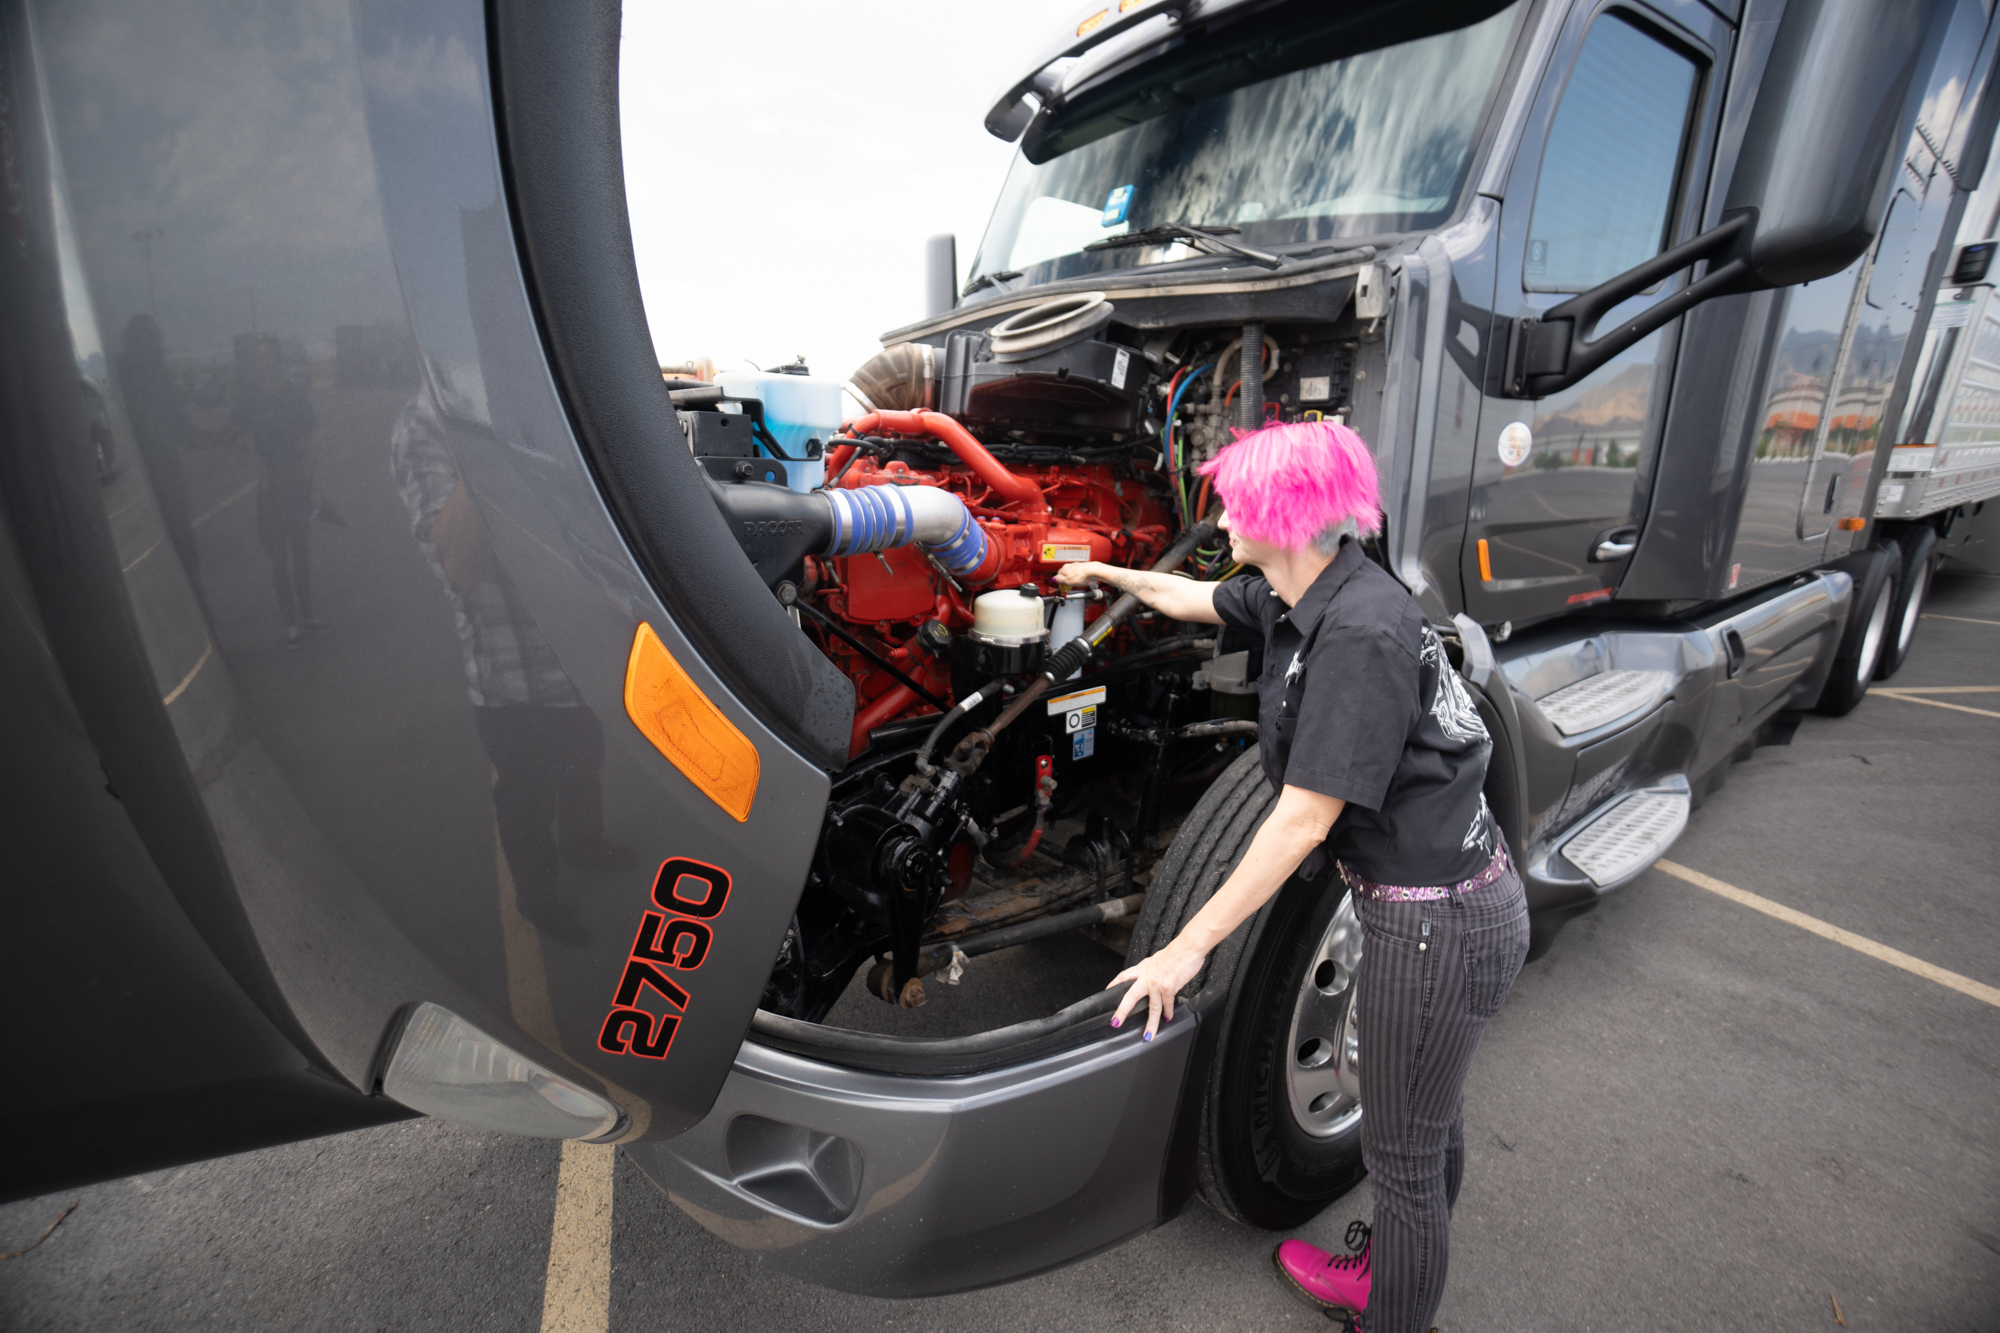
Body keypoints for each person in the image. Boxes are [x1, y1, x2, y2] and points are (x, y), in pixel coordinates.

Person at [1054, 419, 1529, 1333]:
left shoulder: (1360, 631)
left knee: (1403, 1151)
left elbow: (1304, 818)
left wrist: (1186, 948)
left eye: (1238, 499)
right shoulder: (1294, 590)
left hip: (1438, 922)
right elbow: (1196, 600)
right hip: (1447, 905)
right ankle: (1392, 1269)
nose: (1223, 511)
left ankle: (1390, 1311)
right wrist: (1110, 577)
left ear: (1292, 514)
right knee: (1424, 1122)